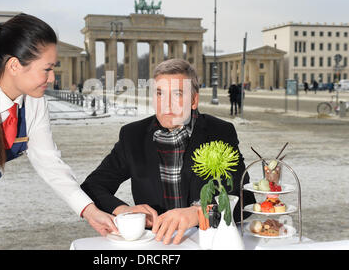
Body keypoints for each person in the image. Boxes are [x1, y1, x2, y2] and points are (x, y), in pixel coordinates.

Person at [0, 14, 116, 250]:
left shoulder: (34, 104)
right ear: (15, 65)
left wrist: (89, 210)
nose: (53, 78)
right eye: (47, 69)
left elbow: (49, 163)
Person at [81, 59, 255, 245]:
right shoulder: (133, 135)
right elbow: (92, 186)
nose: (166, 104)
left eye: (177, 94)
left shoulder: (219, 131)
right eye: (160, 93)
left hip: (207, 241)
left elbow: (246, 200)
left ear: (194, 100)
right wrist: (122, 210)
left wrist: (200, 212)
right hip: (157, 244)